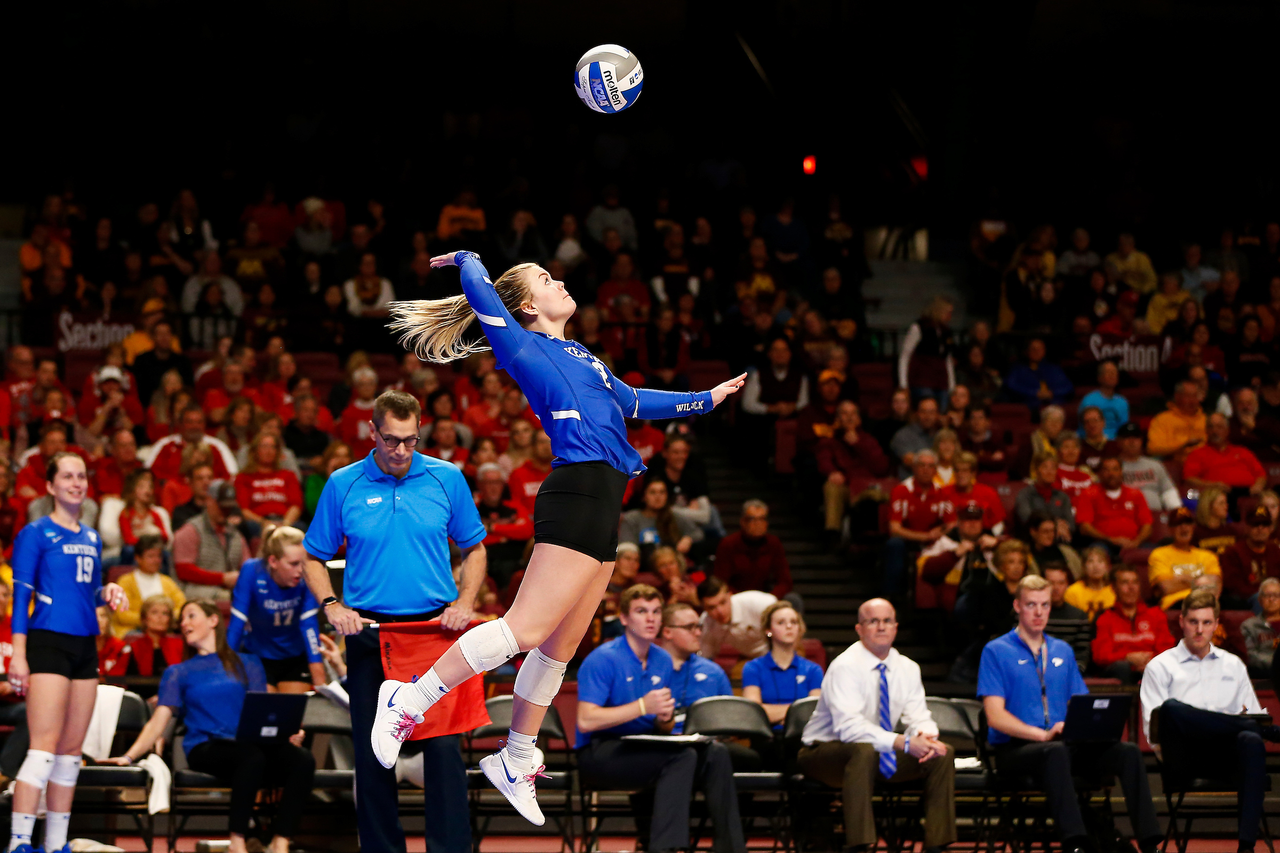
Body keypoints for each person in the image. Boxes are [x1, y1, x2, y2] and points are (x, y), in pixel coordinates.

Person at [376, 251, 744, 824]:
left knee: (559, 648)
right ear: (526, 305)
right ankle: (410, 698)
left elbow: (635, 401)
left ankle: (516, 755)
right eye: (546, 279)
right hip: (575, 490)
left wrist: (706, 399)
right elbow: (483, 297)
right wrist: (469, 261)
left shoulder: (585, 357)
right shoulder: (521, 345)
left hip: (606, 498)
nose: (561, 281)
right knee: (523, 630)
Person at [301, 390, 488, 853]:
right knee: (374, 755)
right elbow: (312, 557)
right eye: (391, 440)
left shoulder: (447, 478)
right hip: (369, 633)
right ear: (372, 432)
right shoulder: (343, 483)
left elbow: (475, 549)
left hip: (434, 633)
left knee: (443, 750)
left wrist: (466, 601)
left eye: (410, 440)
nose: (401, 450)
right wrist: (332, 605)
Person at [103, 600, 314, 853]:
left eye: (191, 616)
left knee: (302, 759)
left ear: (213, 620)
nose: (184, 623)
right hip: (206, 746)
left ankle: (281, 842)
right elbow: (159, 720)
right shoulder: (178, 672)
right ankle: (237, 842)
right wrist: (129, 756)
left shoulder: (248, 663)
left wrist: (284, 732)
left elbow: (261, 710)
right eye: (182, 619)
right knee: (252, 757)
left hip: (247, 743)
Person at [978, 575, 1161, 853]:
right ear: (1017, 606)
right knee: (1055, 751)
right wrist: (1041, 735)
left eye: (1045, 605)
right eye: (1031, 605)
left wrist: (1091, 727)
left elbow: (1080, 703)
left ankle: (1150, 844)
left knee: (1128, 752)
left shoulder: (1062, 650)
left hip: (1064, 745)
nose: (1039, 612)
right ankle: (1076, 845)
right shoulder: (996, 651)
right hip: (1017, 749)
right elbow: (995, 716)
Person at [7, 452, 128, 853]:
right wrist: (18, 654)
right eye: (68, 476)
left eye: (81, 477)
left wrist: (107, 591)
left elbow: (87, 590)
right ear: (50, 485)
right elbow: (21, 596)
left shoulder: (92, 537)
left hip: (84, 645)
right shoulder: (36, 533)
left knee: (71, 754)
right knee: (43, 748)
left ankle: (56, 844)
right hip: (47, 642)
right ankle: (19, 842)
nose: (77, 483)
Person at [575, 585, 744, 853]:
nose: (651, 618)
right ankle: (665, 849)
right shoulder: (603, 659)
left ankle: (731, 848)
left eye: (656, 612)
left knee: (716, 753)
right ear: (624, 618)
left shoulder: (662, 659)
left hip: (646, 743)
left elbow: (661, 725)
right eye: (642, 611)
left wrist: (665, 719)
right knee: (681, 758)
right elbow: (586, 720)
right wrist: (642, 706)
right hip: (601, 749)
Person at [797, 598, 955, 853]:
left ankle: (937, 845)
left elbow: (918, 716)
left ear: (895, 627)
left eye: (887, 621)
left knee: (941, 753)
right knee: (863, 750)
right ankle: (860, 844)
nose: (881, 627)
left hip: (878, 753)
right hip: (824, 753)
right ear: (859, 629)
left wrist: (926, 736)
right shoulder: (845, 666)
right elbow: (849, 728)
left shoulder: (908, 668)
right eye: (873, 621)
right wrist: (903, 742)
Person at [1139, 589, 1274, 853]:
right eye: (1193, 622)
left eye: (1206, 622)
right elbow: (1154, 732)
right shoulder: (1160, 666)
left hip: (1226, 756)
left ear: (1216, 624)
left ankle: (1246, 847)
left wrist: (1243, 726)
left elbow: (1254, 715)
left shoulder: (1233, 665)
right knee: (1171, 710)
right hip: (1183, 757)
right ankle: (1262, 730)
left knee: (1250, 737)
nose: (1199, 630)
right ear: (1181, 622)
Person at [226, 526, 325, 693]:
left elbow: (308, 624)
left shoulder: (307, 576)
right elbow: (237, 623)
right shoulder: (252, 570)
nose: (301, 570)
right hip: (258, 656)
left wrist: (318, 669)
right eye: (294, 564)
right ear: (273, 561)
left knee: (292, 707)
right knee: (266, 705)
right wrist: (225, 666)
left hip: (295, 656)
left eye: (304, 563)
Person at [741, 601, 823, 728]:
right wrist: (798, 713)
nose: (789, 626)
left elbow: (815, 712)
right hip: (766, 736)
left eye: (794, 622)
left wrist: (772, 713)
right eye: (781, 622)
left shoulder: (813, 670)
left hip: (803, 736)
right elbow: (753, 713)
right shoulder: (753, 668)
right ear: (768, 630)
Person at [1090, 566, 1175, 684]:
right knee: (1123, 668)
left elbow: (1166, 649)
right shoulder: (1104, 618)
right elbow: (1101, 656)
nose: (1131, 588)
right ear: (1114, 588)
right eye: (1125, 583)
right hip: (1119, 672)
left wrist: (1150, 662)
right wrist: (1127, 657)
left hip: (1152, 669)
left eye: (1135, 582)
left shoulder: (1156, 614)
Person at [658, 602, 732, 735]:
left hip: (705, 741)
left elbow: (731, 719)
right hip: (657, 741)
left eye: (699, 627)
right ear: (667, 632)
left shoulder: (713, 672)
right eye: (690, 627)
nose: (698, 633)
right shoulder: (647, 669)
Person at [884, 450, 947, 595]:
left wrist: (940, 532)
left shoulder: (942, 492)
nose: (926, 470)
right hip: (907, 540)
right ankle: (892, 596)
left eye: (930, 466)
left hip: (934, 540)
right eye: (922, 465)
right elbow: (894, 529)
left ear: (935, 470)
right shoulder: (901, 490)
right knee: (894, 544)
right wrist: (925, 536)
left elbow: (952, 524)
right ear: (914, 468)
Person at [172, 482, 248, 600]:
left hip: (228, 592)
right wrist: (222, 578)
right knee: (227, 597)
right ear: (209, 501)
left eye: (229, 507)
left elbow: (247, 567)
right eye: (221, 506)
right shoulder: (191, 530)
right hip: (194, 593)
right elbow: (183, 571)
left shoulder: (235, 535)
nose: (225, 511)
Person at [712, 500, 793, 599]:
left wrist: (770, 597)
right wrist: (743, 599)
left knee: (792, 598)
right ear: (743, 522)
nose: (758, 524)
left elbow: (784, 581)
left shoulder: (773, 543)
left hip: (766, 597)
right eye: (752, 519)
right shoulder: (728, 544)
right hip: (736, 599)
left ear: (767, 523)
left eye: (762, 519)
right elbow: (721, 582)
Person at [112, 534, 185, 637]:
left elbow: (182, 608)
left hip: (164, 630)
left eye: (158, 556)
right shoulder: (125, 582)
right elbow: (122, 614)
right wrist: (150, 620)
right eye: (151, 556)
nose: (156, 560)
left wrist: (164, 619)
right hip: (133, 631)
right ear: (138, 558)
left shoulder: (168, 582)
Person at [1149, 507, 1222, 610]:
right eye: (1178, 524)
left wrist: (1182, 580)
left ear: (1193, 527)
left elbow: (1215, 586)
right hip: (1176, 605)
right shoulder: (1159, 554)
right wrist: (1202, 582)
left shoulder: (1208, 556)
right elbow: (1166, 588)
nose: (1184, 528)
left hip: (1206, 604)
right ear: (1170, 529)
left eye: (1187, 523)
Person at [1182, 413, 1267, 500]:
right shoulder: (1197, 454)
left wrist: (1258, 486)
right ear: (1206, 431)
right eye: (1211, 427)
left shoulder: (1242, 451)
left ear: (1227, 430)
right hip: (1217, 494)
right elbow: (1189, 479)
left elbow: (1261, 475)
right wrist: (1212, 485)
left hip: (1248, 493)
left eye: (1219, 427)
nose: (1214, 431)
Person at [1075, 457, 1152, 551]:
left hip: (1135, 543)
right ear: (1099, 473)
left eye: (1115, 469)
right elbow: (1085, 528)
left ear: (1121, 472)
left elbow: (1147, 525)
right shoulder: (1089, 494)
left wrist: (1136, 542)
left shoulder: (1136, 494)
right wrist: (1110, 540)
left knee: (1155, 552)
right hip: (1103, 543)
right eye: (1106, 470)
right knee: (1096, 553)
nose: (1111, 474)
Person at [698, 577, 775, 660]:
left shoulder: (759, 603)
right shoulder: (706, 623)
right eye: (712, 607)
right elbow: (706, 657)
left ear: (730, 595)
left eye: (723, 602)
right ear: (704, 608)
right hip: (752, 659)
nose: (720, 611)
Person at [1220, 507, 1280, 607]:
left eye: (1265, 524)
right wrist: (1266, 593)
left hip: (1275, 595)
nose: (1260, 528)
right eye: (1255, 524)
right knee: (1261, 598)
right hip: (1246, 599)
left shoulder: (1275, 550)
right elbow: (1233, 586)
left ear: (1270, 528)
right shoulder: (1234, 552)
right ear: (1246, 528)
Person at [1116, 422, 1182, 511]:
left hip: (1155, 514)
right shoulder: (1112, 467)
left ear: (1141, 441)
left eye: (1136, 437)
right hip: (1124, 514)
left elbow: (1168, 492)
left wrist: (1177, 513)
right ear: (1119, 441)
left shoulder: (1155, 465)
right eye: (1127, 437)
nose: (1132, 441)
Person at [1014, 451, 1076, 539]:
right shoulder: (1025, 495)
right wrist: (1056, 524)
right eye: (1045, 467)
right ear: (1036, 470)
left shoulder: (1062, 497)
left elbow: (1071, 525)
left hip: (1059, 539)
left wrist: (1063, 528)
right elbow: (1027, 521)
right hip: (1032, 541)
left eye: (1053, 468)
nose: (1049, 472)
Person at [1147, 381, 1207, 460]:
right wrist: (1183, 444)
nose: (1192, 401)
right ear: (1177, 396)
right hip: (1176, 461)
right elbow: (1153, 448)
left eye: (1195, 396)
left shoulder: (1206, 420)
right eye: (1188, 396)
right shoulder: (1163, 419)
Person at [1063, 546, 1116, 621]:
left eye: (1100, 561)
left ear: (1107, 567)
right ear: (1084, 567)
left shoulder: (1115, 590)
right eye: (1090, 561)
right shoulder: (1072, 592)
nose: (1096, 566)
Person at [1079, 362, 1129, 440]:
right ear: (1100, 377)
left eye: (1114, 373)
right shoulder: (1089, 400)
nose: (1112, 375)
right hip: (1094, 440)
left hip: (1115, 442)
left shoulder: (1122, 402)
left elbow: (1123, 428)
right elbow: (1084, 427)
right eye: (1108, 372)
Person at [1241, 578, 1280, 677]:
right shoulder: (1249, 626)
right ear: (1259, 599)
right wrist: (1275, 663)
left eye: (1276, 595)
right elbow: (1250, 655)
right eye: (1267, 595)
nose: (1271, 599)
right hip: (1263, 675)